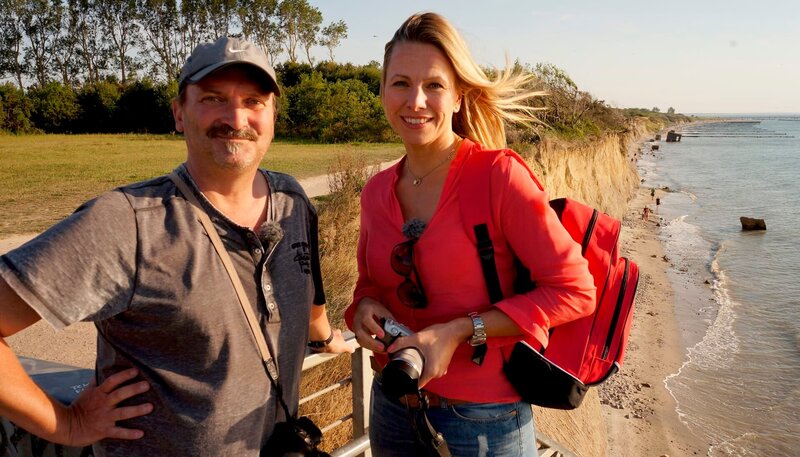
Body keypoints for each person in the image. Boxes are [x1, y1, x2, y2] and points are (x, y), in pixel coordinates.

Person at [0, 36, 351, 456]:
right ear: (179, 113)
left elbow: (306, 287)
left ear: (273, 115)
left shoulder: (292, 202)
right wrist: (66, 424)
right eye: (213, 99)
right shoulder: (128, 223)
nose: (235, 117)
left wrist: (323, 338)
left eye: (253, 101)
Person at [345, 13, 596, 457]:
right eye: (401, 83)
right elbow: (368, 286)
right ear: (382, 91)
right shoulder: (376, 192)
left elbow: (575, 291)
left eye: (434, 85)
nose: (416, 100)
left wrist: (460, 330)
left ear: (458, 96)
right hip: (392, 406)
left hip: (485, 420)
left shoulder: (497, 176)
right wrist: (363, 308)